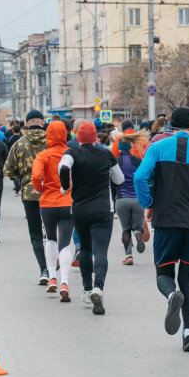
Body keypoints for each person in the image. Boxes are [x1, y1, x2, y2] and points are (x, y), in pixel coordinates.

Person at [134, 107, 189, 353]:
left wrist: (149, 202)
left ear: (171, 126)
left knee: (163, 274)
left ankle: (171, 294)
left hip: (165, 220)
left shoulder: (157, 148)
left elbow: (140, 178)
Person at [59, 122, 124, 315]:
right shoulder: (106, 154)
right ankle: (98, 288)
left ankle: (87, 291)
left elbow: (63, 168)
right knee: (101, 251)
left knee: (85, 248)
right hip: (103, 210)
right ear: (96, 136)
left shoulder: (71, 153)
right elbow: (119, 179)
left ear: (78, 137)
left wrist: (65, 186)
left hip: (80, 210)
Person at [4, 110, 50, 285]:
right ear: (42, 122)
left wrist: (22, 176)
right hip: (51, 193)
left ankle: (43, 270)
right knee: (53, 233)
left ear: (27, 123)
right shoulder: (51, 142)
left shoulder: (19, 143)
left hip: (29, 193)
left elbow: (8, 170)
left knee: (36, 235)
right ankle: (56, 265)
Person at [31, 121, 75, 302]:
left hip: (47, 203)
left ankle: (52, 278)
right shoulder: (70, 154)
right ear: (64, 135)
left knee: (50, 238)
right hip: (68, 202)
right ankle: (65, 281)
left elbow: (35, 176)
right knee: (65, 243)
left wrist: (39, 188)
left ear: (48, 135)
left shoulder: (43, 155)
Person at [114, 131, 148, 265]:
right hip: (137, 198)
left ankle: (128, 256)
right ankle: (138, 235)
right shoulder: (138, 161)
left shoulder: (116, 162)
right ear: (130, 146)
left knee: (125, 228)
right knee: (137, 226)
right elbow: (144, 178)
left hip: (122, 199)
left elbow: (112, 181)